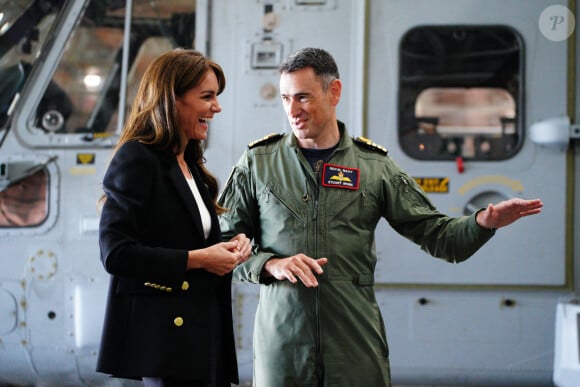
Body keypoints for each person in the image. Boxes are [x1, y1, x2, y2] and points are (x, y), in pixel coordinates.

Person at [217, 47, 543, 387]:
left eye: (303, 97)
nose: (293, 111)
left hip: (353, 346)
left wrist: (482, 223)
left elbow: (438, 236)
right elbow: (223, 248)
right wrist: (270, 264)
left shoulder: (373, 167)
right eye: (286, 98)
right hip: (282, 347)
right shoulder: (259, 163)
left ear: (334, 92)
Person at [97, 48, 251, 387]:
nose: (217, 107)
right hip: (167, 341)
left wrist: (229, 248)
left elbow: (183, 239)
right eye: (207, 97)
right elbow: (116, 254)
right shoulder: (137, 158)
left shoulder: (191, 166)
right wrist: (199, 259)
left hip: (203, 335)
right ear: (172, 100)